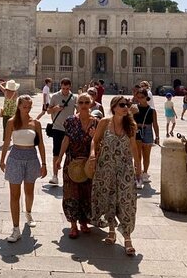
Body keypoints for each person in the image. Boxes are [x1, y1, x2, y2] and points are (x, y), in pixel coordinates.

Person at [90, 95, 138, 256]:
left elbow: (133, 147)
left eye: (127, 105)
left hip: (125, 169)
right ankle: (111, 230)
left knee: (126, 201)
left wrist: (138, 167)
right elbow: (95, 141)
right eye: (122, 105)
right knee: (109, 198)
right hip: (106, 167)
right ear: (114, 107)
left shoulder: (131, 125)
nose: (126, 107)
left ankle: (127, 238)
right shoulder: (104, 122)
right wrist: (92, 156)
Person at [0, 95, 47, 242]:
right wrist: (2, 160)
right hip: (15, 157)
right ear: (19, 106)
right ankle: (15, 228)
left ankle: (28, 212)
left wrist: (44, 164)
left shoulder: (36, 123)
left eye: (29, 107)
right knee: (14, 194)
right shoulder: (12, 122)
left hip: (31, 157)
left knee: (29, 191)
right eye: (25, 106)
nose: (27, 109)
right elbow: (6, 142)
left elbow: (41, 144)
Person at [54, 93, 98, 238]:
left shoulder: (96, 122)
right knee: (71, 193)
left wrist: (94, 137)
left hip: (88, 163)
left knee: (87, 193)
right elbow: (66, 139)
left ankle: (84, 222)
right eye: (81, 102)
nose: (84, 105)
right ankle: (73, 225)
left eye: (86, 102)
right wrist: (59, 158)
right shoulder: (70, 121)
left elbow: (99, 143)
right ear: (77, 105)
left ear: (91, 104)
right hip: (72, 162)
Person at [47, 78, 77, 185]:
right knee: (56, 153)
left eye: (67, 89)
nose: (65, 91)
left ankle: (70, 175)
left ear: (70, 87)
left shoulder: (74, 97)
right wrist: (55, 108)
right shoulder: (55, 96)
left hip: (70, 130)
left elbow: (77, 112)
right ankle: (55, 176)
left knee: (70, 153)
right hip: (57, 128)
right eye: (63, 88)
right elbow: (48, 111)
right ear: (61, 86)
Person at [132, 88, 159, 189]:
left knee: (146, 155)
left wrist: (157, 136)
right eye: (138, 97)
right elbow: (130, 121)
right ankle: (137, 175)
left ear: (146, 97)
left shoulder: (152, 111)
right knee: (138, 156)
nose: (140, 99)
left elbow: (155, 124)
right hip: (137, 131)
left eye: (142, 97)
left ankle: (145, 172)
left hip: (148, 131)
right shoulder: (134, 109)